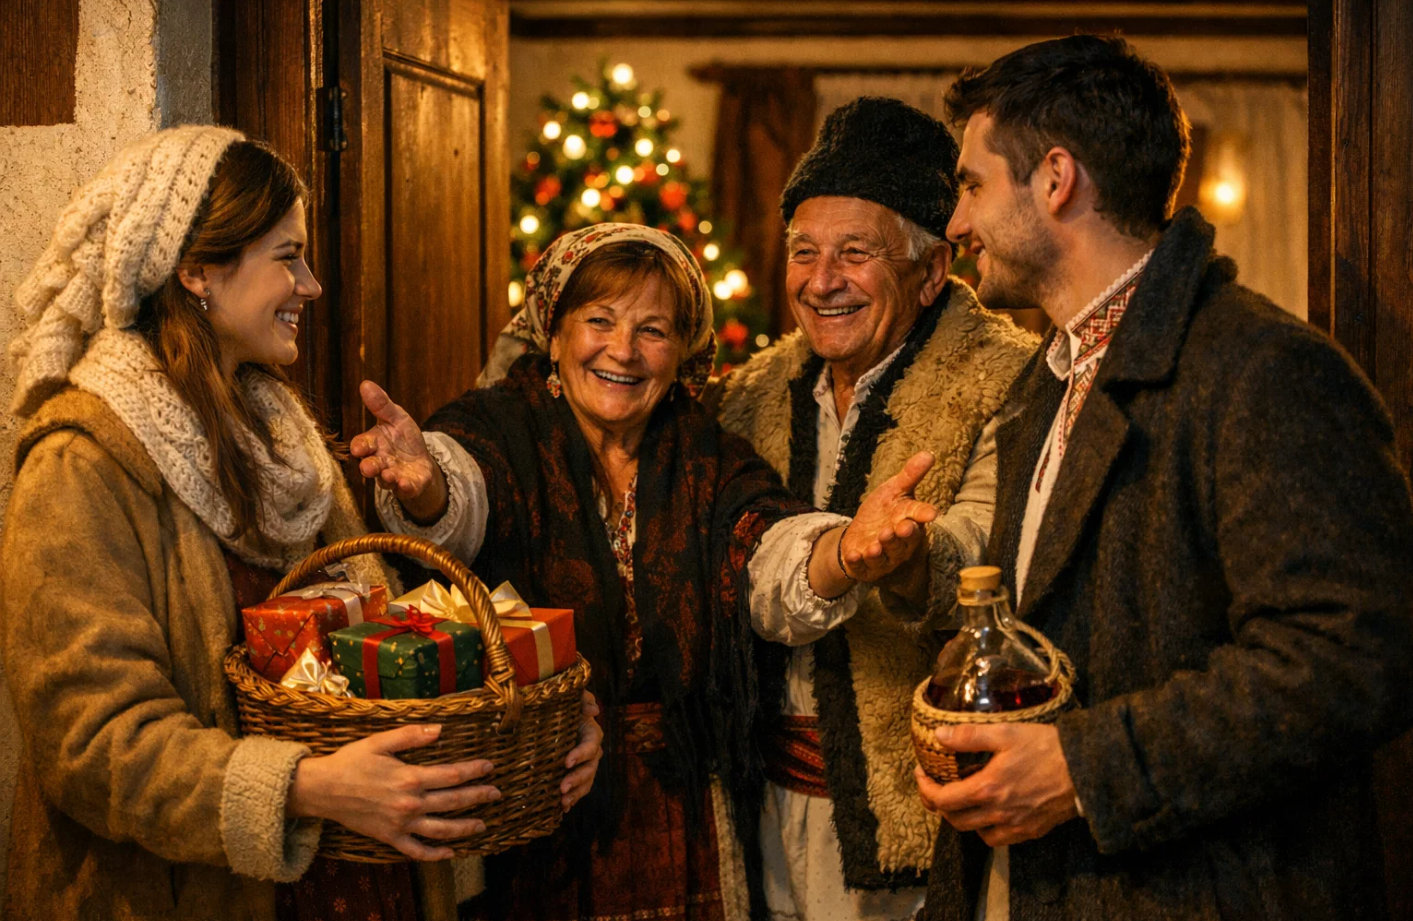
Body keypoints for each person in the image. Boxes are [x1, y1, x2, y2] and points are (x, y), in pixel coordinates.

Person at [1, 126, 602, 921]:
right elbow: (88, 744)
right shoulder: (82, 462)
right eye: (288, 256)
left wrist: (528, 708)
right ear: (196, 271)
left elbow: (374, 649)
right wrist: (307, 786)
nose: (311, 285)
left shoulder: (283, 442)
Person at [915, 34, 1413, 921]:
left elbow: (1353, 657)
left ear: (1055, 178)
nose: (954, 224)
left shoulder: (1265, 367)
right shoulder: (1044, 379)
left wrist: (1083, 769)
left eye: (971, 185)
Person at [350, 222, 941, 921]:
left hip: (683, 807)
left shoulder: (705, 453)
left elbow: (764, 551)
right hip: (532, 791)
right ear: (554, 333)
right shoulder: (500, 427)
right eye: (599, 321)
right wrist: (425, 486)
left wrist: (843, 552)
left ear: (682, 350)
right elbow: (463, 493)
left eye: (652, 330)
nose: (623, 350)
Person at [705, 97, 1038, 921]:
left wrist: (909, 556)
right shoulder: (749, 393)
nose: (821, 281)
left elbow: (983, 546)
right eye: (803, 251)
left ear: (930, 272)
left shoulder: (1009, 379)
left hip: (924, 823)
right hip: (760, 813)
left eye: (854, 253)